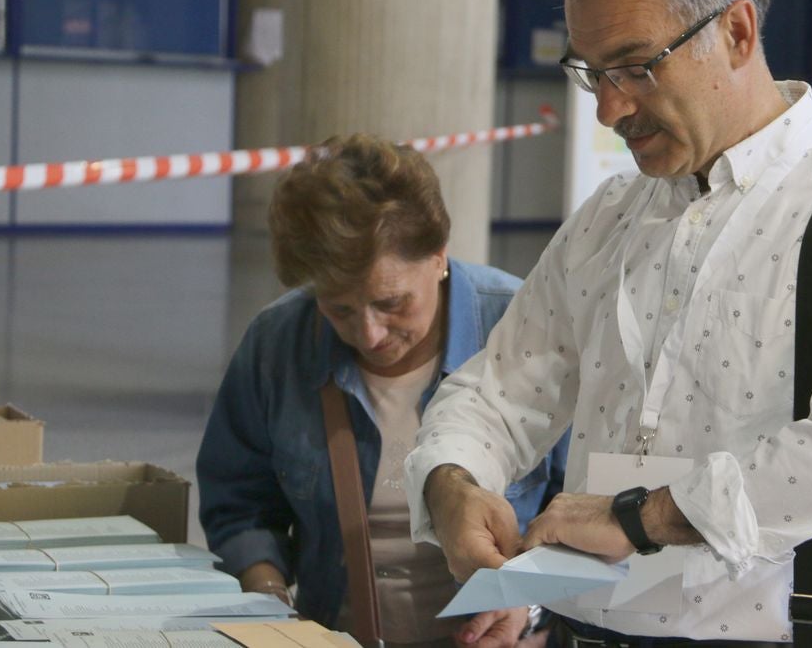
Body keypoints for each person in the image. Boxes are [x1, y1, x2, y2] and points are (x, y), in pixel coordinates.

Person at [404, 0, 812, 645]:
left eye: (635, 65)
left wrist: (647, 516)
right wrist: (453, 481)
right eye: (592, 71)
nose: (609, 108)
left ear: (737, 32)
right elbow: (498, 389)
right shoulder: (611, 218)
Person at [197, 135, 569, 648]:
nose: (369, 334)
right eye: (339, 309)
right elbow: (238, 502)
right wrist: (269, 596)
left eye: (391, 302)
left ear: (439, 256)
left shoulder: (523, 330)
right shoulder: (277, 343)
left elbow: (585, 510)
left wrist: (528, 610)